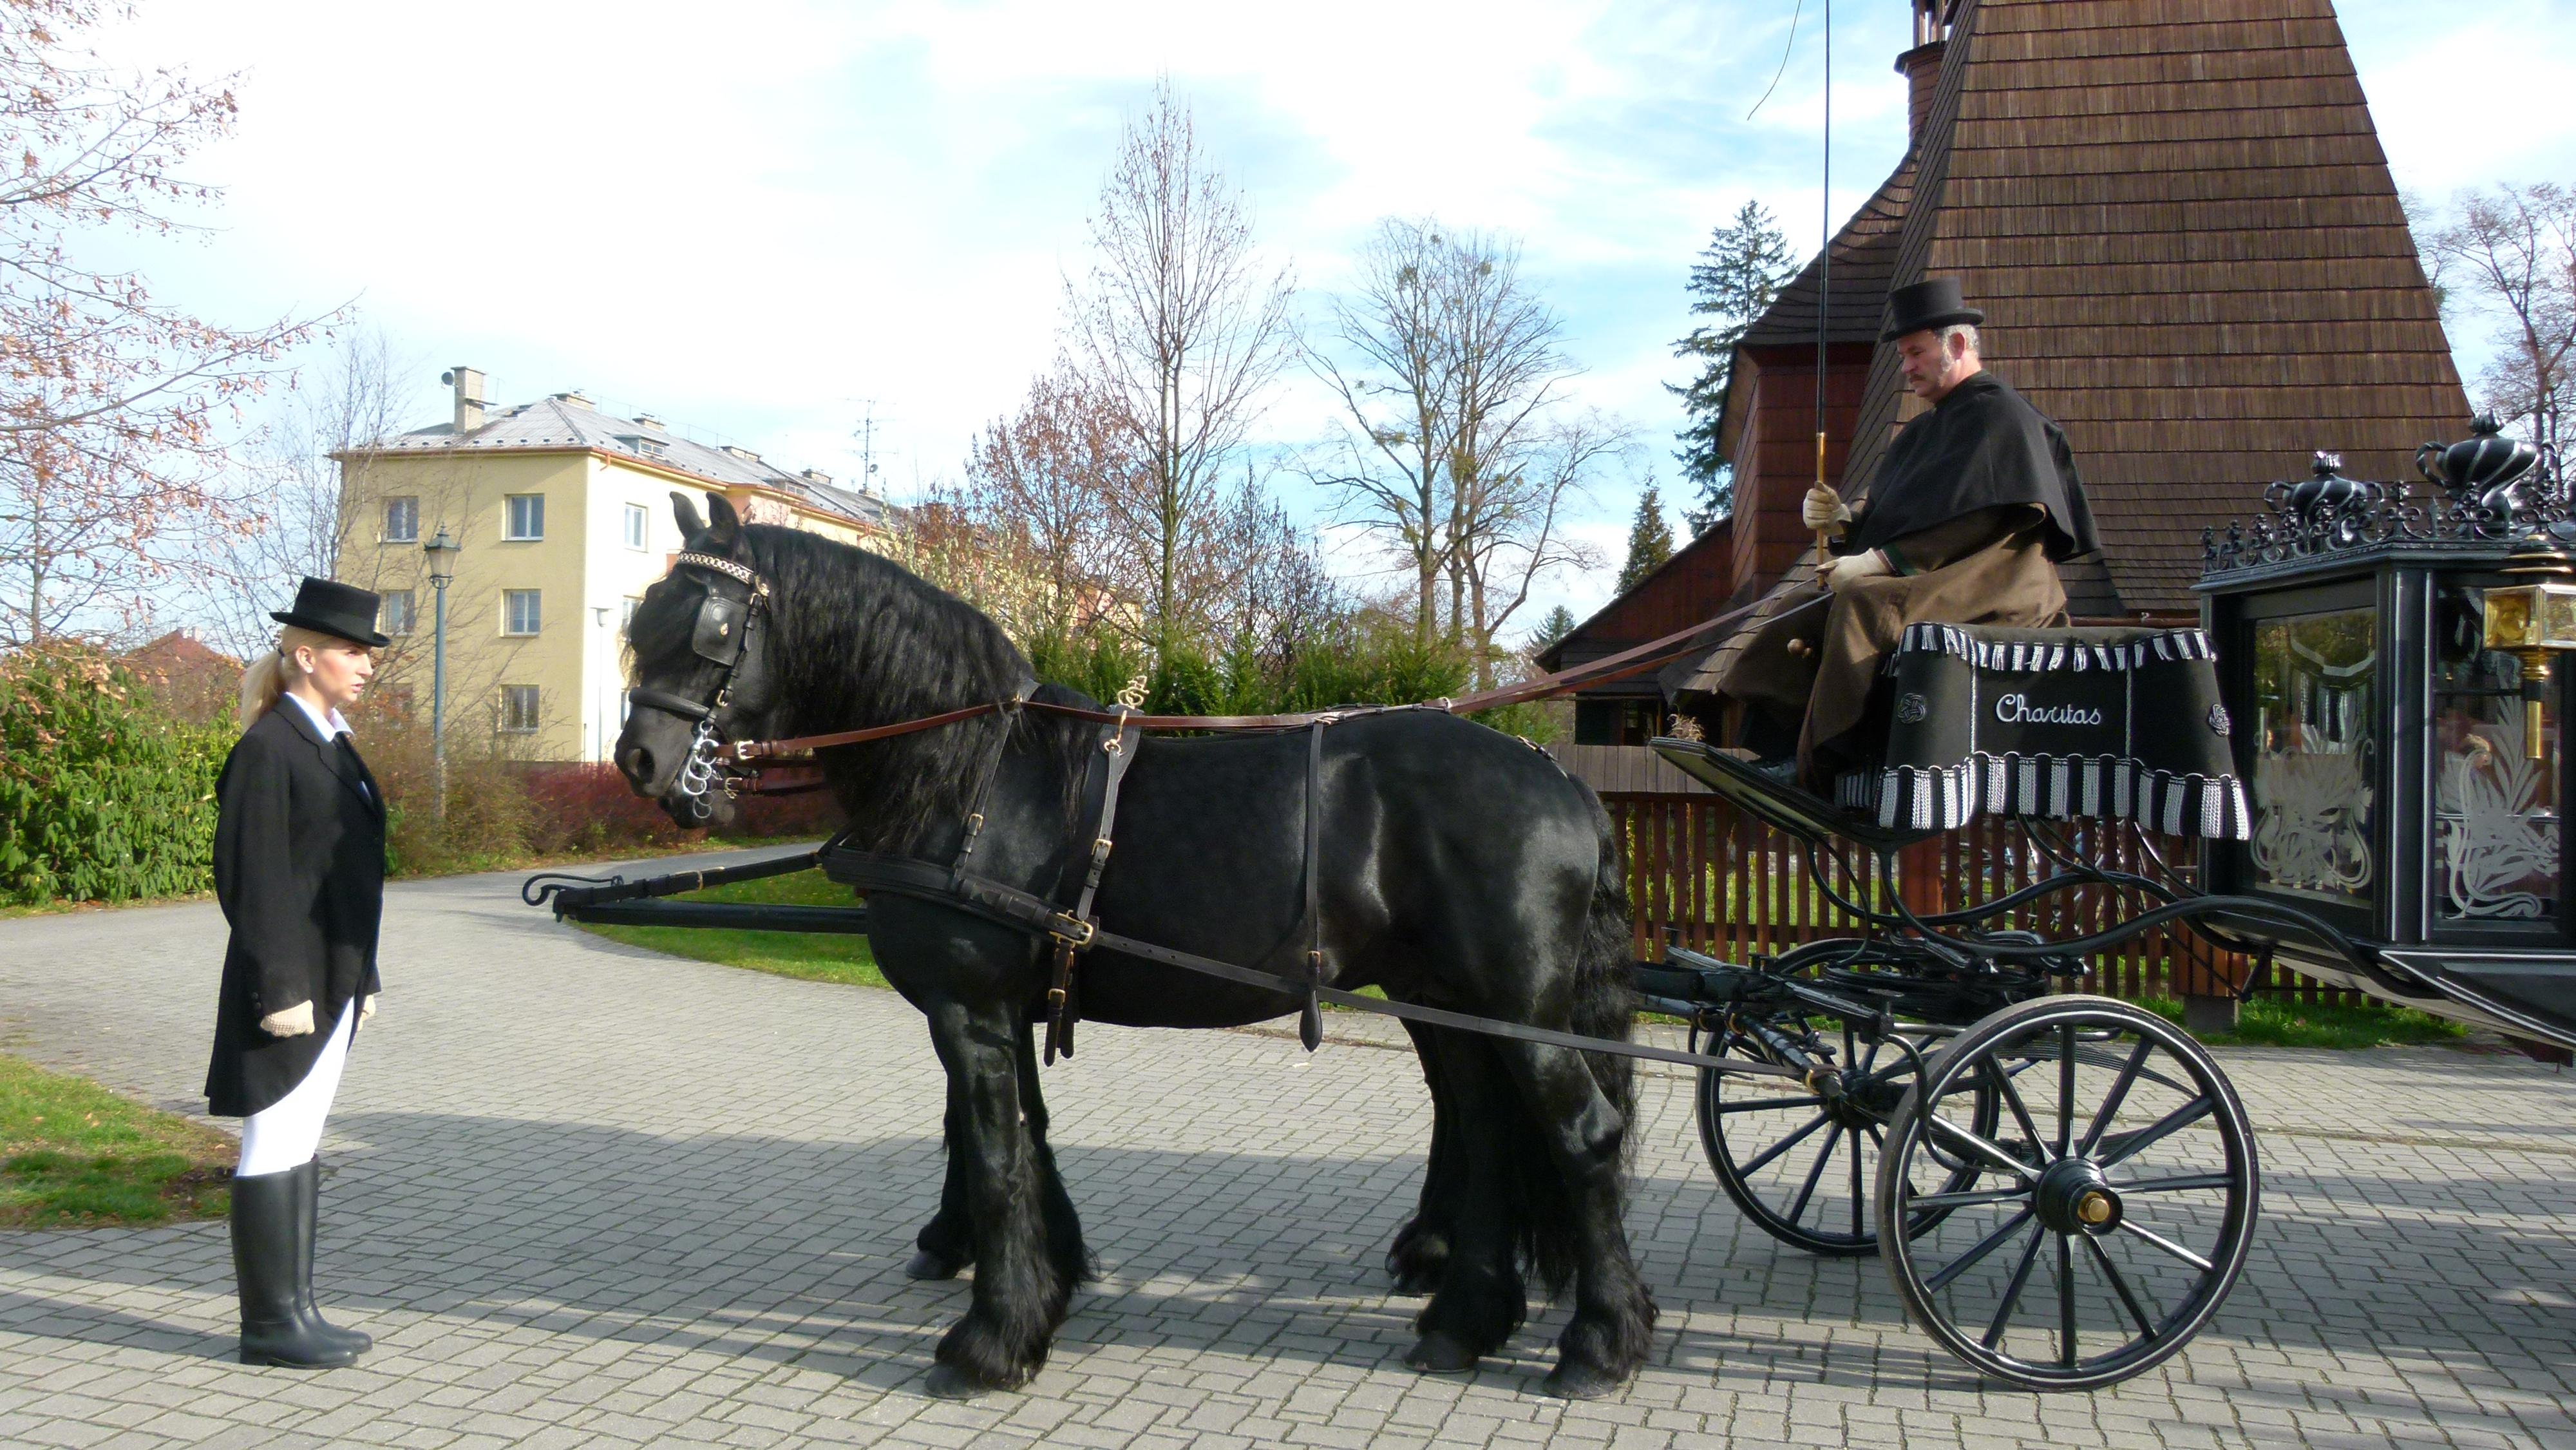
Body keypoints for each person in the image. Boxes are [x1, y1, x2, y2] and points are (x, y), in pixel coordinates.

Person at [1716, 277, 2100, 787]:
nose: (1907, 366)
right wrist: (1844, 522)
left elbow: (1978, 520)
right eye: (1903, 355)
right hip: (1936, 575)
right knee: (1804, 604)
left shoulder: (2002, 416)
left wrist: (1880, 562)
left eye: (1916, 352)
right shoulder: (1920, 432)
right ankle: (1777, 748)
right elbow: (1905, 516)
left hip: (1996, 581)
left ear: (1957, 344)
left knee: (1864, 606)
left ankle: (1825, 766)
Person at [204, 577, 388, 1368]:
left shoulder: (332, 740)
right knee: (273, 1138)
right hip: (288, 983)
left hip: (333, 977)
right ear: (306, 656)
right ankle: (270, 1325)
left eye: (368, 652)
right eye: (353, 650)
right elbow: (253, 878)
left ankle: (298, 1309)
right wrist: (279, 986)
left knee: (301, 1139)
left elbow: (345, 876)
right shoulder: (269, 747)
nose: (367, 665)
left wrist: (365, 974)